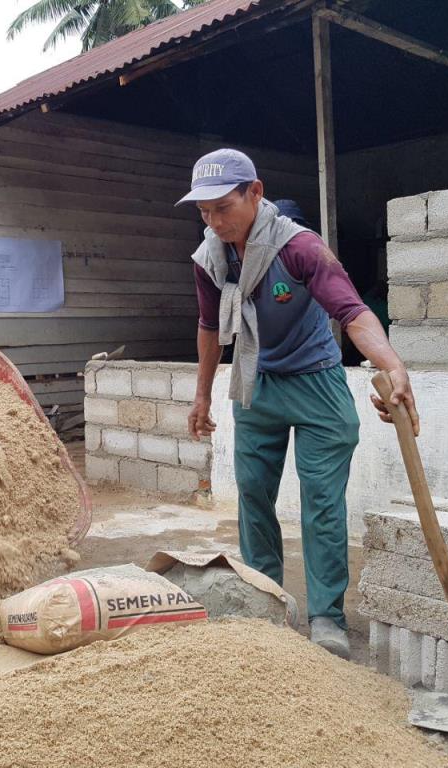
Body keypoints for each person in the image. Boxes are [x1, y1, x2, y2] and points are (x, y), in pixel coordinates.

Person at [178, 148, 419, 659]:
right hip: (255, 385)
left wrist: (390, 364)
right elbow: (207, 328)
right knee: (253, 497)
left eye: (223, 207)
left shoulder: (299, 247)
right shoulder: (210, 258)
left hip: (316, 384)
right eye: (203, 211)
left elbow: (353, 312)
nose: (213, 221)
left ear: (255, 193)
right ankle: (266, 601)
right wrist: (203, 396)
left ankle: (326, 616)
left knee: (322, 505)